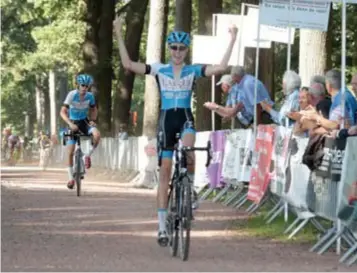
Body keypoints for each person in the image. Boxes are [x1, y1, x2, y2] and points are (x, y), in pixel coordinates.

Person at [114, 15, 238, 246]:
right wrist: (119, 33)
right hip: (165, 121)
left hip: (184, 117)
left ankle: (189, 187)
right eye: (174, 47)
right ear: (169, 49)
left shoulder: (193, 70)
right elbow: (129, 65)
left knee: (189, 149)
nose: (178, 52)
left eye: (182, 48)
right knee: (165, 173)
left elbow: (221, 67)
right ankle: (162, 228)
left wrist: (232, 39)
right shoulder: (160, 69)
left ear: (186, 50)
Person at [60, 73, 101, 190]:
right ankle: (70, 178)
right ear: (78, 85)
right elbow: (62, 112)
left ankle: (86, 156)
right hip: (72, 122)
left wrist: (93, 120)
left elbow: (94, 109)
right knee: (70, 151)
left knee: (97, 135)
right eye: (83, 85)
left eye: (87, 86)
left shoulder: (90, 96)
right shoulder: (71, 95)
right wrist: (70, 123)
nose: (85, 88)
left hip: (84, 122)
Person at [204, 66, 274, 128]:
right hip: (254, 121)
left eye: (221, 84)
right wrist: (215, 108)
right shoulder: (232, 94)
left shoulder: (242, 88)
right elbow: (227, 113)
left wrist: (216, 107)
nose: (221, 87)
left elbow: (257, 105)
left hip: (262, 118)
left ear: (226, 85)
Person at [301, 69, 357, 135]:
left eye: (355, 84)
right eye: (352, 84)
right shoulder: (345, 95)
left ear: (328, 85)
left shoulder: (340, 98)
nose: (353, 88)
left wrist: (316, 117)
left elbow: (334, 126)